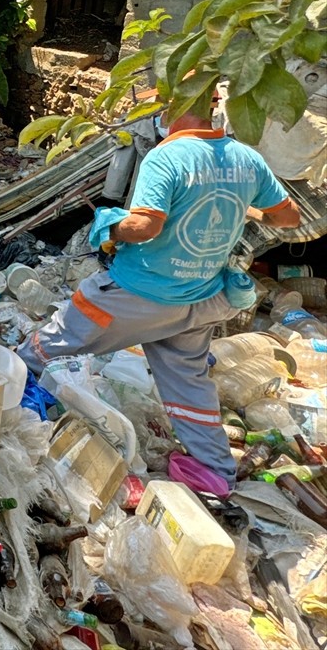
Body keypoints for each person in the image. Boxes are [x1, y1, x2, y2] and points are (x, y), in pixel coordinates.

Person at [16, 104, 302, 490]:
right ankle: (217, 473)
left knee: (44, 348)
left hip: (138, 294)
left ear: (175, 107)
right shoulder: (247, 159)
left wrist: (110, 226)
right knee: (188, 384)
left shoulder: (167, 155)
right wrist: (244, 210)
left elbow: (146, 226)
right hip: (199, 299)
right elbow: (289, 218)